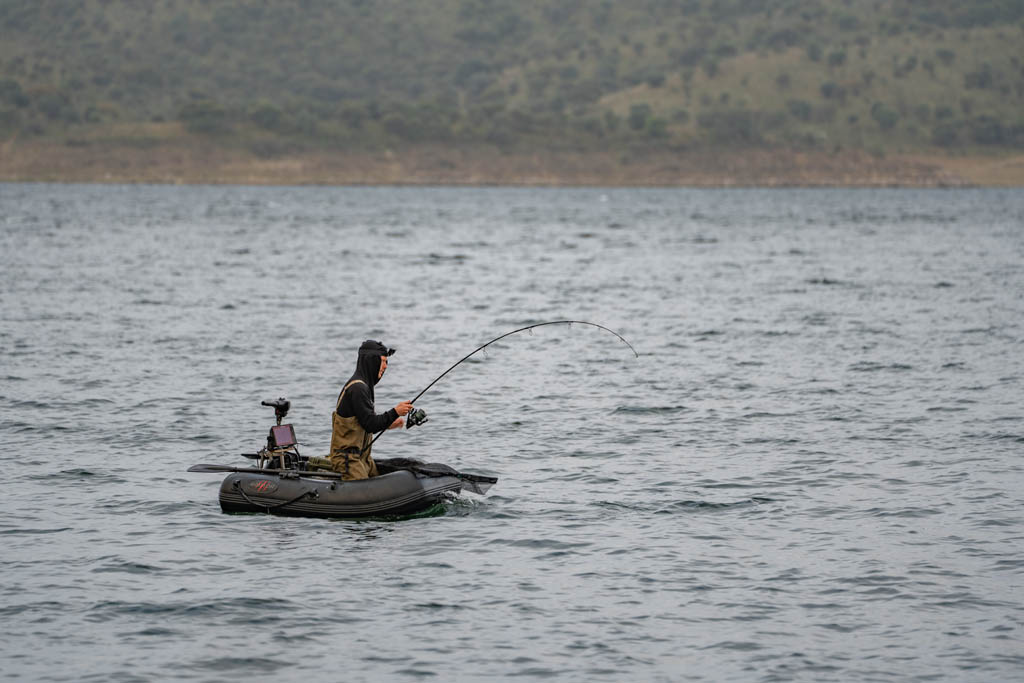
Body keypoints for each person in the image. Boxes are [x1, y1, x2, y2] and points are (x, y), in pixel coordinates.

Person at [329, 339, 413, 480]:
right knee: (366, 488)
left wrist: (390, 423)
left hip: (363, 458)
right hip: (347, 460)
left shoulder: (364, 387)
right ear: (371, 361)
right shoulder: (357, 388)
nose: (385, 366)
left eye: (387, 362)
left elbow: (364, 421)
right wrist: (395, 412)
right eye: (383, 361)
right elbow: (370, 425)